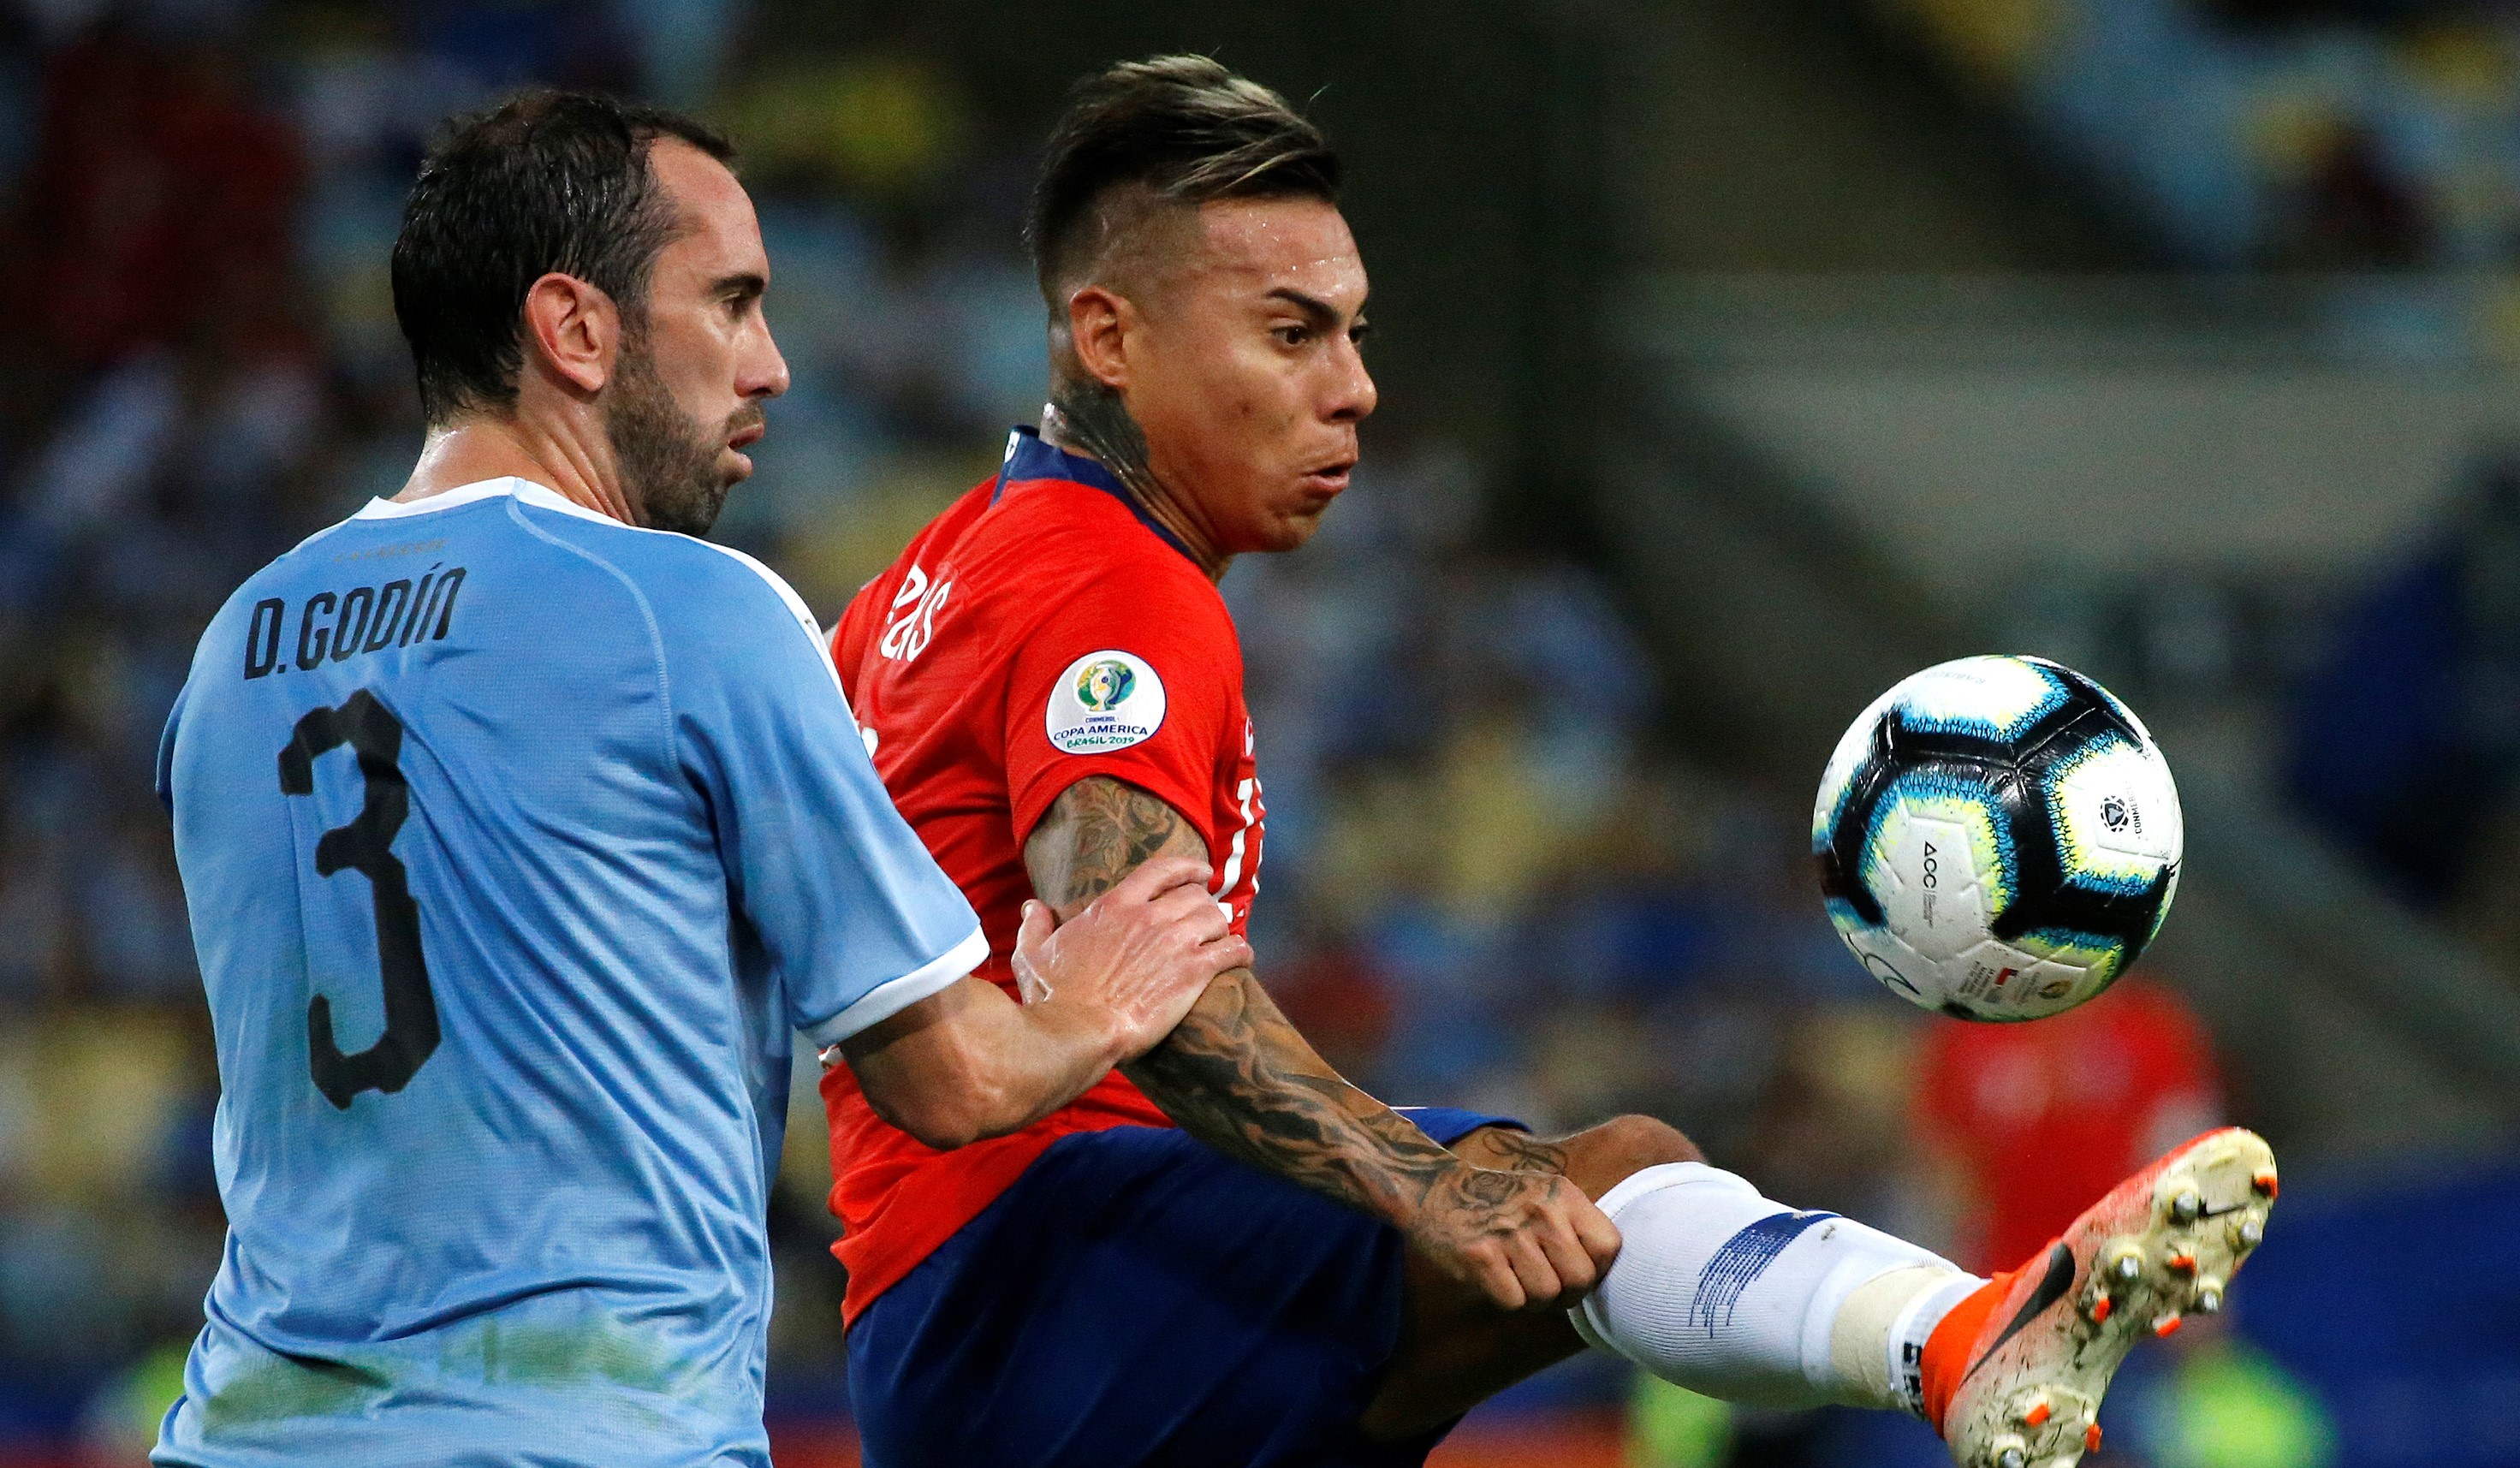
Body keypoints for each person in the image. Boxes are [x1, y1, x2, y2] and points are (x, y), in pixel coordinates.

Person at [821, 56, 2280, 1468]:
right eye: (1291, 333)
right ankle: (1956, 1345)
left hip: (956, 1315)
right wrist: (1413, 1174)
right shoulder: (1107, 581)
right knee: (1590, 1185)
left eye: (1357, 333)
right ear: (1108, 336)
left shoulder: (914, 588)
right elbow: (1140, 977)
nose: (1357, 389)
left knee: (1558, 1224)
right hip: (1051, 1269)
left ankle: (1957, 1339)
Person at [150, 91, 1251, 1468]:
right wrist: (1095, 1001)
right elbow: (953, 1081)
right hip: (586, 1435)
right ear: (577, 331)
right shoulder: (688, 612)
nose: (773, 364)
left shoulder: (233, 650)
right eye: (731, 303)